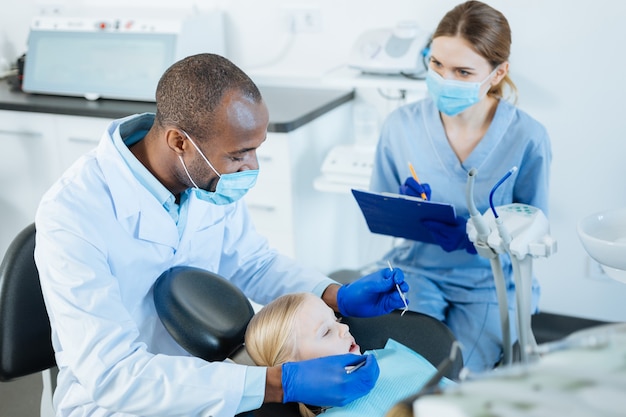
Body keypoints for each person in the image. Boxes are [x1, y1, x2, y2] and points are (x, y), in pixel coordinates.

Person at [33, 53, 410, 417]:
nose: (251, 167)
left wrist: (336, 295)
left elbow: (252, 262)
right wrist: (279, 385)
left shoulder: (202, 177)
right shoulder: (72, 216)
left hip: (212, 377)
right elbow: (113, 375)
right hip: (119, 403)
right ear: (179, 142)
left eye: (256, 150)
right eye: (238, 155)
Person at [369, 0, 552, 373]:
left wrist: (476, 236)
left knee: (456, 374)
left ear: (498, 73)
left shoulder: (527, 137)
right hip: (418, 270)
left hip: (490, 280)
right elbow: (380, 207)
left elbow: (534, 227)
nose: (444, 79)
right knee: (403, 369)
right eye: (436, 64)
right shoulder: (400, 126)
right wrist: (405, 209)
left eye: (463, 71)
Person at [245, 292, 453, 417]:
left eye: (336, 319)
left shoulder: (390, 357)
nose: (343, 328)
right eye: (326, 332)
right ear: (293, 369)